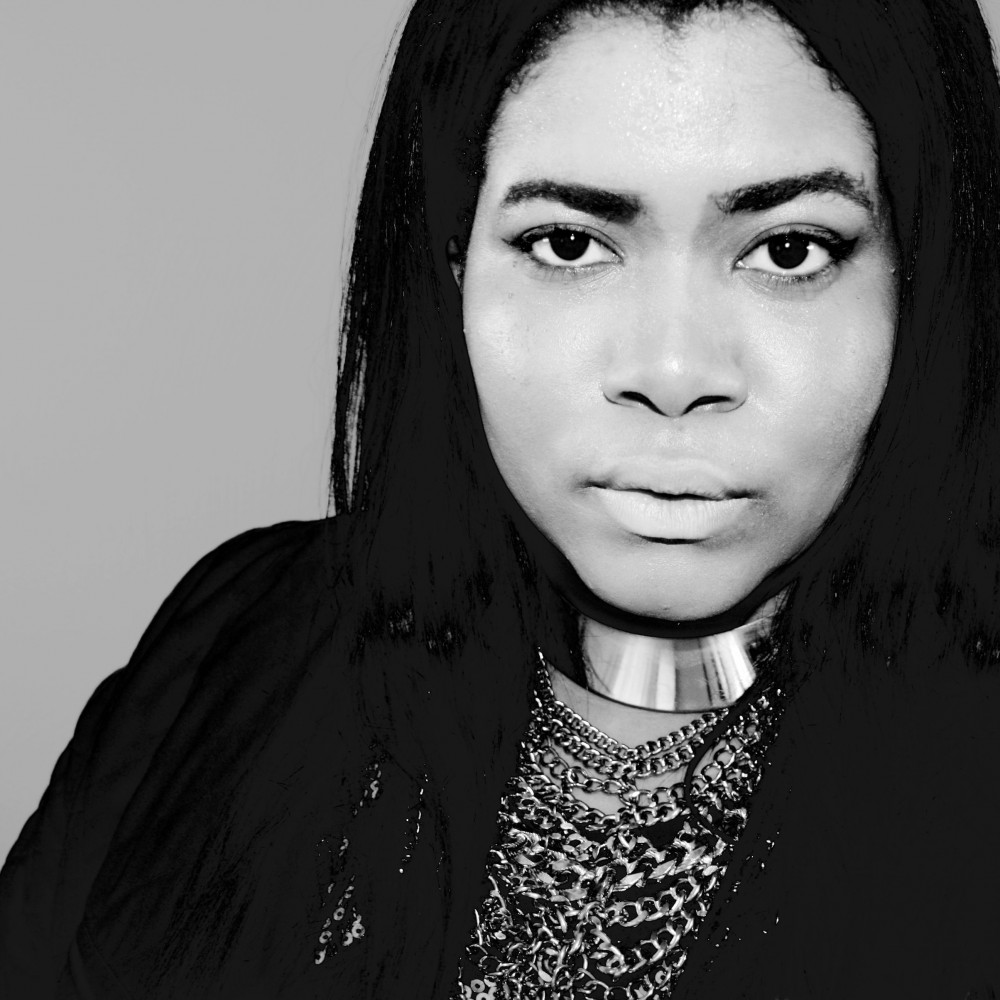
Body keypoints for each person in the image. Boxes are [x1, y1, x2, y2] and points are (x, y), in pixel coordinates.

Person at [2, 0, 1000, 996]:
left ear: (926, 283)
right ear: (452, 268)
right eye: (568, 244)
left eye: (790, 250)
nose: (672, 370)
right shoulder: (239, 633)